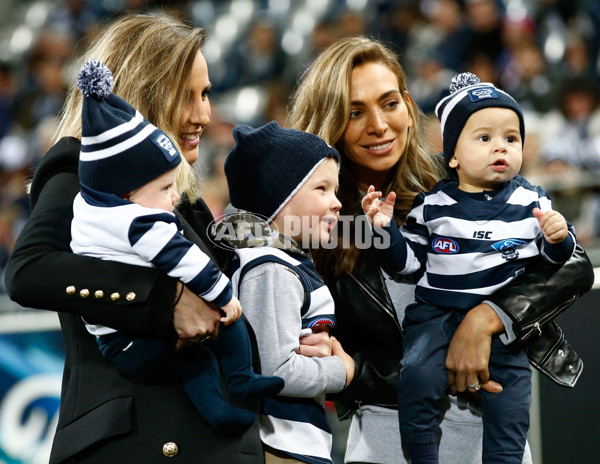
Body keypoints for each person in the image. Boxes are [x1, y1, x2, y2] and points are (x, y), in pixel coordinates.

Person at [4, 13, 325, 464]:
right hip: (138, 444)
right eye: (186, 96)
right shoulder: (86, 167)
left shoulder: (183, 201)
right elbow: (29, 270)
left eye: (207, 94)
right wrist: (165, 300)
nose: (204, 114)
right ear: (143, 94)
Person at [288, 35, 594, 464]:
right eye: (355, 112)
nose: (378, 125)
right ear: (330, 121)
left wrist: (489, 319)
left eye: (390, 103)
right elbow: (310, 356)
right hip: (389, 439)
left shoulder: (464, 171)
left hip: (494, 436)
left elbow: (575, 265)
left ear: (410, 107)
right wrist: (369, 373)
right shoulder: (314, 224)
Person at [362, 72, 578, 463]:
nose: (501, 147)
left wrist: (558, 239)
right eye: (484, 138)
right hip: (434, 317)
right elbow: (407, 264)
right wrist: (384, 232)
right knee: (418, 380)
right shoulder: (433, 204)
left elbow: (559, 266)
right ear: (454, 155)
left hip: (507, 333)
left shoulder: (533, 200)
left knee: (511, 411)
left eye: (511, 139)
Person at [70, 60, 284, 436]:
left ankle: (220, 409)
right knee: (224, 321)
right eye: (190, 96)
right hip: (135, 374)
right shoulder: (140, 219)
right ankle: (242, 379)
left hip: (122, 347)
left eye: (207, 94)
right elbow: (191, 264)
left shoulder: (92, 204)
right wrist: (222, 297)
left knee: (196, 364)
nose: (174, 197)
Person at [216, 121, 355, 464]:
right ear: (277, 198)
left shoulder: (276, 259)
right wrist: (343, 371)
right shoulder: (271, 266)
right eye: (321, 188)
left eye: (335, 190)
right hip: (281, 443)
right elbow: (277, 371)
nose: (336, 203)